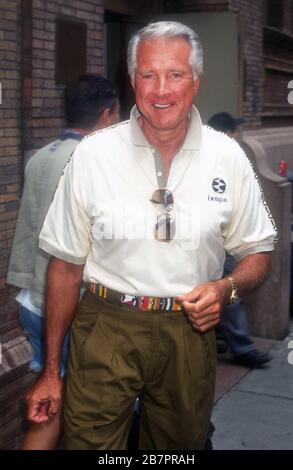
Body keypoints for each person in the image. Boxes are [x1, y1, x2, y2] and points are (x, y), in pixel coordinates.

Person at [26, 21, 277, 450]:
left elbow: (258, 250)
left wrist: (226, 288)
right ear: (132, 80)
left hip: (188, 333)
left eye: (175, 74)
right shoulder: (92, 155)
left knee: (178, 450)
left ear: (196, 81)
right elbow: (65, 267)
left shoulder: (227, 156)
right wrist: (51, 371)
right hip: (105, 325)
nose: (161, 90)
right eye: (148, 74)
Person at [6, 74, 120, 450]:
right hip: (74, 304)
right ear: (106, 115)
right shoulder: (97, 163)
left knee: (49, 402)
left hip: (32, 301)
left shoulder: (39, 157)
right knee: (81, 416)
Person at [207, 112, 272, 367]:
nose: (238, 136)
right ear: (229, 133)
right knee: (231, 291)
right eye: (235, 132)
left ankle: (220, 338)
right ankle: (242, 348)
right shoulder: (222, 158)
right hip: (219, 241)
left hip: (215, 240)